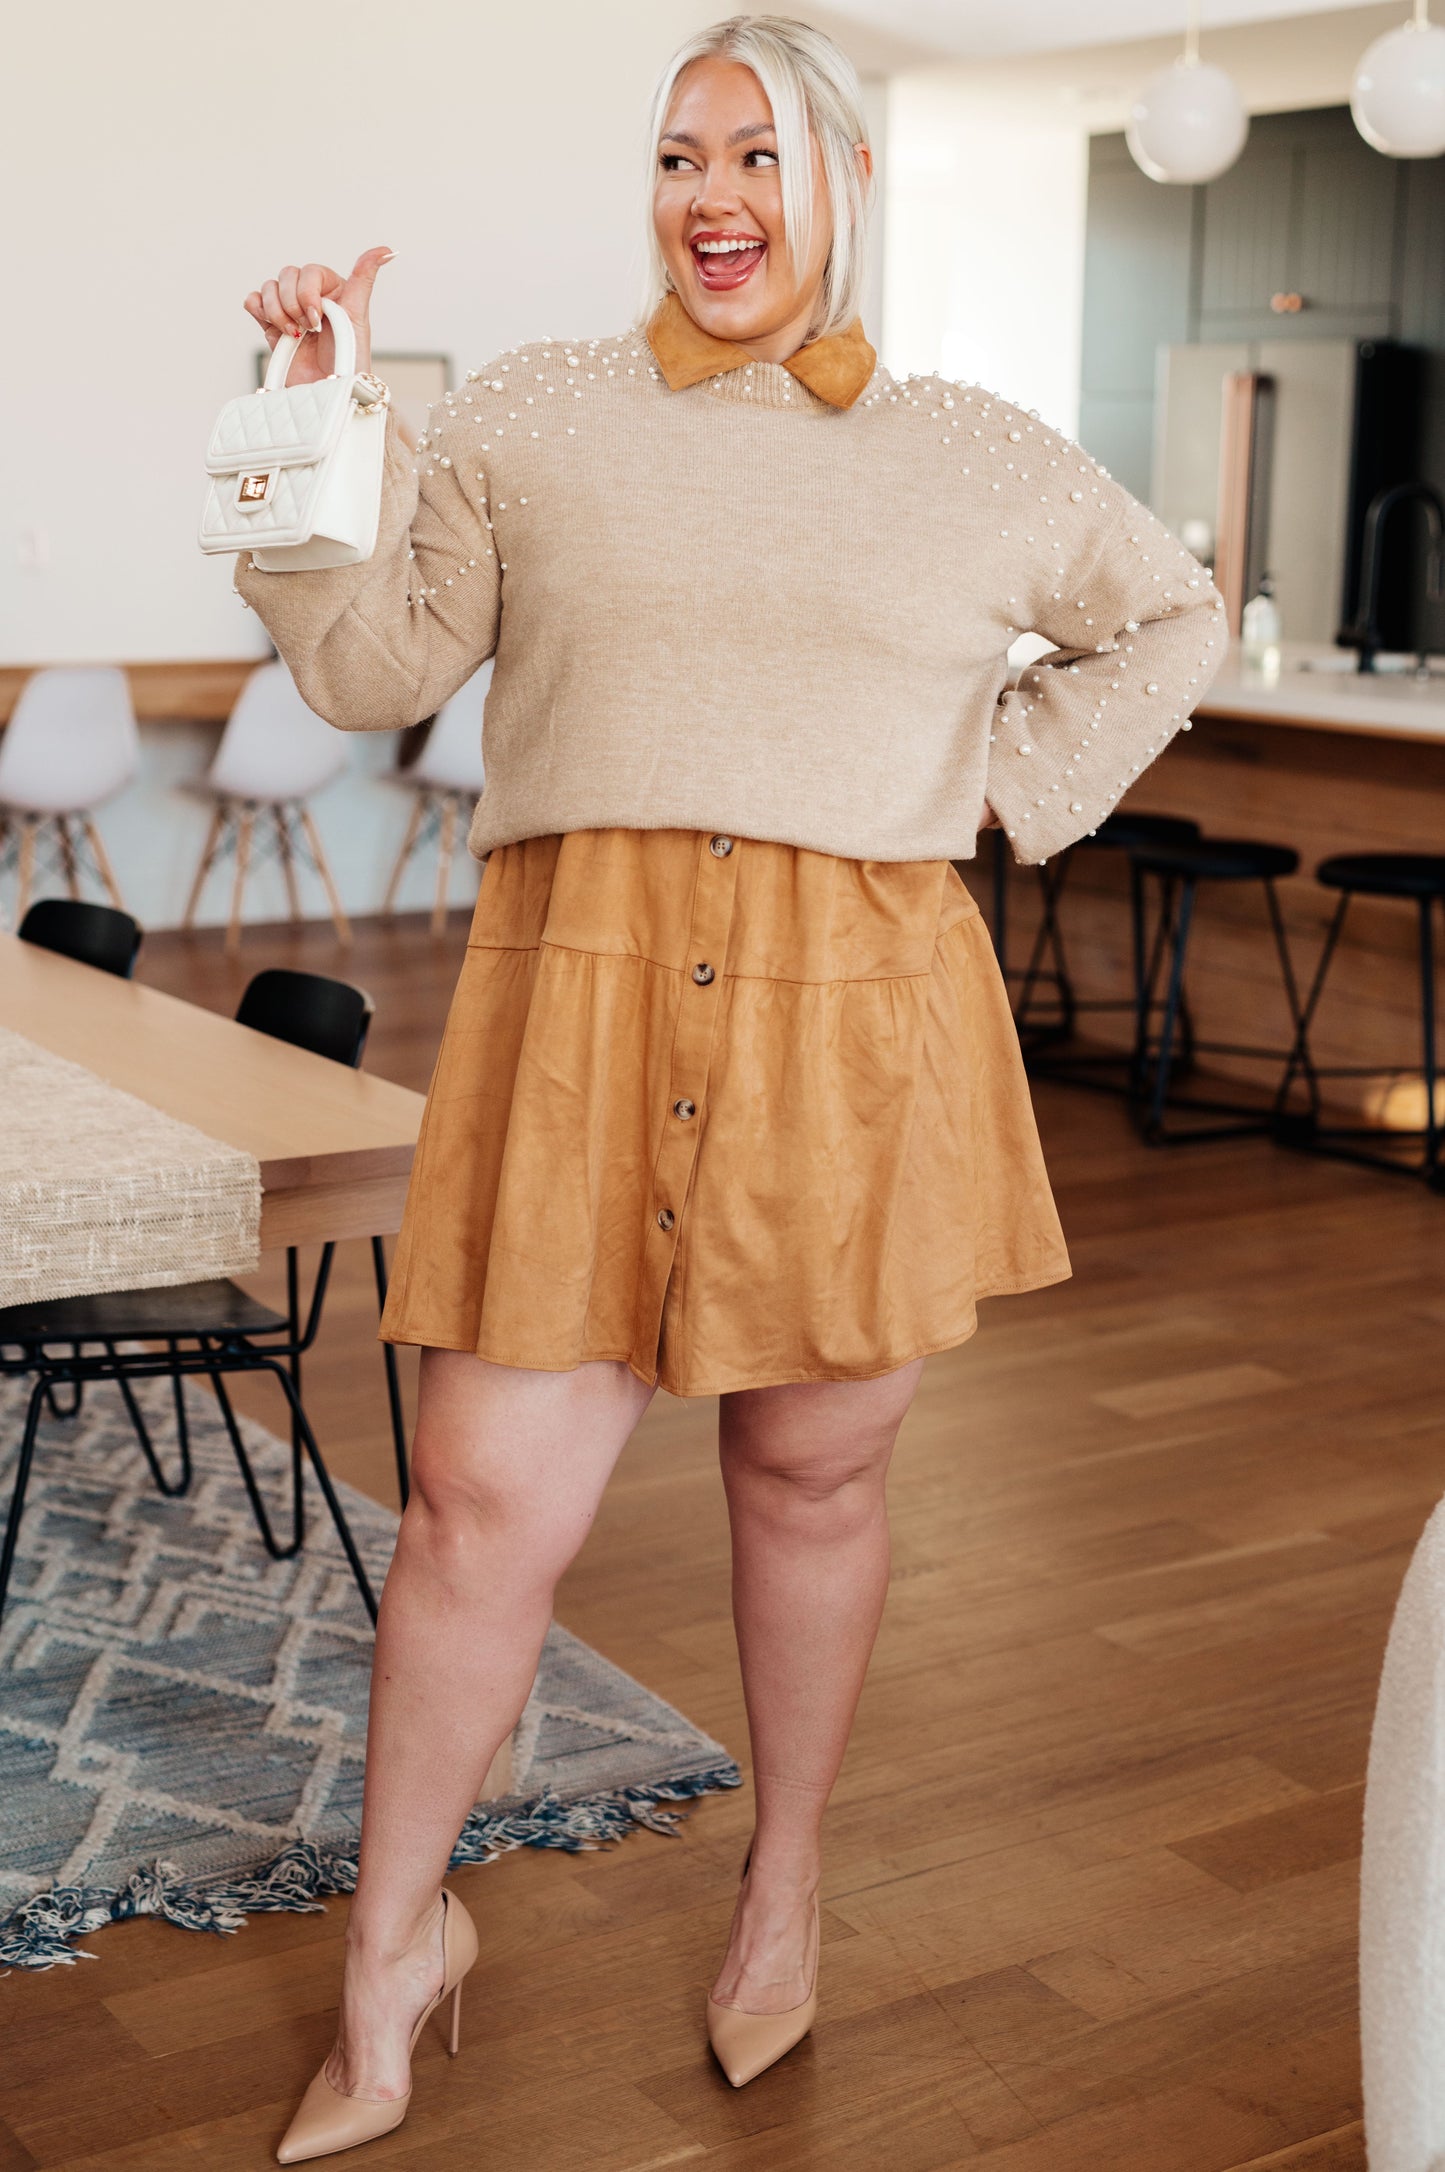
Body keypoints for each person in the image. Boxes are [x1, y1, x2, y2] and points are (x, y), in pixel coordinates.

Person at [236, 13, 1227, 2160]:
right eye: (682, 153)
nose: (713, 194)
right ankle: (390, 1956)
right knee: (476, 1507)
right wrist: (306, 424)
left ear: (842, 181)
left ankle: (782, 1893)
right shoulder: (532, 414)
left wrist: (995, 787)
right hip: (577, 1022)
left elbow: (1171, 616)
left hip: (850, 1038)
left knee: (811, 1486)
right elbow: (367, 667)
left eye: (758, 154)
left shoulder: (973, 453)